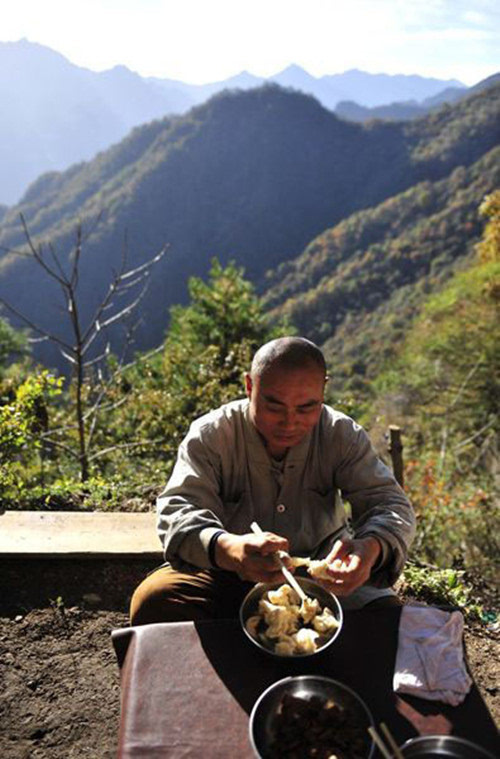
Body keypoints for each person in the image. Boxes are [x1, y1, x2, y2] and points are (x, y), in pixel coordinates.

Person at [130, 336, 415, 625]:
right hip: (229, 574)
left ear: (323, 391)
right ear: (250, 387)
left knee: (391, 625)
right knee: (154, 602)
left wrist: (371, 548)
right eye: (274, 406)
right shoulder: (212, 435)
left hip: (325, 578)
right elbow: (178, 510)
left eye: (306, 408)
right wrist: (228, 548)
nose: (290, 423)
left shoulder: (341, 435)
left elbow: (390, 503)